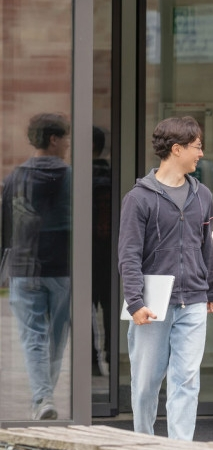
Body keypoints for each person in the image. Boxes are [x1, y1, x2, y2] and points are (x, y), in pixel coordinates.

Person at [118, 116, 213, 441]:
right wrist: (135, 302)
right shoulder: (138, 198)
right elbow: (128, 254)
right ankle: (143, 442)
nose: (201, 154)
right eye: (197, 147)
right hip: (152, 305)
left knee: (187, 379)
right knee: (146, 382)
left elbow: (206, 248)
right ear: (177, 149)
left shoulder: (202, 195)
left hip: (193, 300)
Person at [1, 112, 72, 420]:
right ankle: (44, 397)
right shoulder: (71, 176)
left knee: (33, 336)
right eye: (66, 137)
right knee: (56, 338)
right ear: (54, 139)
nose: (69, 144)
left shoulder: (16, 177)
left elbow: (5, 226)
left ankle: (43, 398)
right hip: (62, 267)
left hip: (25, 267)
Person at [91, 125, 112, 378]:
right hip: (109, 250)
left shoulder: (77, 176)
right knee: (107, 305)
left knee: (85, 308)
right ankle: (109, 357)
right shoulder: (112, 175)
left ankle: (93, 362)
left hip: (87, 250)